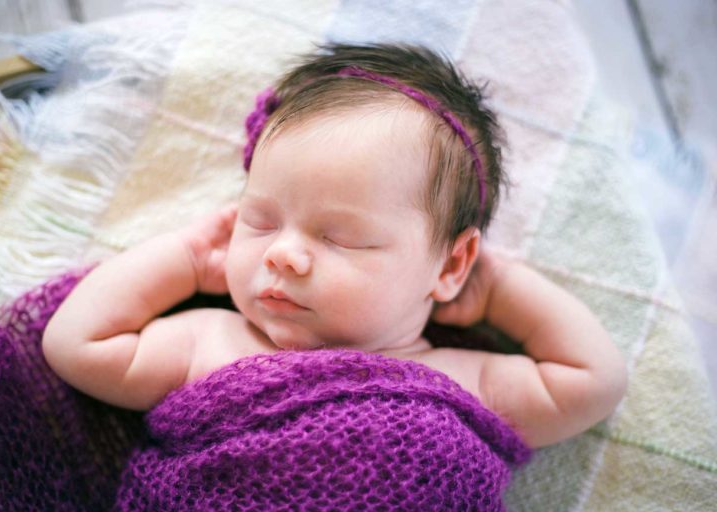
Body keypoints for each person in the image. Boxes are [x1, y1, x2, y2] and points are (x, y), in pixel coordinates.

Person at [43, 43, 627, 449]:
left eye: (338, 236)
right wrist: (188, 259)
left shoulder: (464, 385)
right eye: (261, 220)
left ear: (449, 264)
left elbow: (595, 381)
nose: (283, 254)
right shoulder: (210, 345)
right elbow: (75, 344)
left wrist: (496, 288)